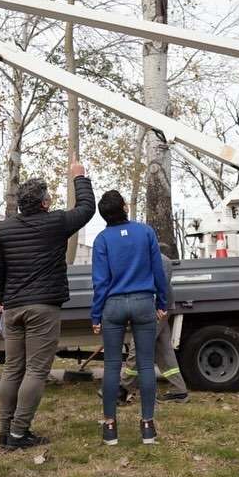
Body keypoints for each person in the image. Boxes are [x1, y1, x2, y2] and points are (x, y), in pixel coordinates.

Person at [0, 160, 95, 451]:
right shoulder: (56, 222)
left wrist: (1, 300)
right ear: (45, 202)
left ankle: (4, 430)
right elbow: (87, 209)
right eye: (49, 196)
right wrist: (79, 177)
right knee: (36, 371)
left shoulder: (5, 230)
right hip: (43, 307)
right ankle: (19, 434)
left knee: (12, 369)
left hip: (13, 308)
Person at [91, 190, 167, 446]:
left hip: (113, 305)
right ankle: (147, 427)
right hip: (144, 302)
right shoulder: (145, 232)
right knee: (146, 365)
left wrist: (96, 315)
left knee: (112, 365)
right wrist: (163, 302)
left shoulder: (102, 240)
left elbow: (100, 282)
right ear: (124, 207)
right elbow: (158, 270)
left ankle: (110, 427)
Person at [119, 242, 188, 404]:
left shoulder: (160, 260)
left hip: (155, 309)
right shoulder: (148, 259)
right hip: (154, 308)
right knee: (163, 350)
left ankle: (123, 389)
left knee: (139, 346)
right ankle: (179, 390)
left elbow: (159, 287)